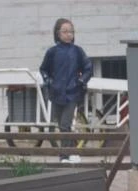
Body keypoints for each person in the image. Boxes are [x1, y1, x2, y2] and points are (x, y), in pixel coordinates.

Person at [39, 18, 92, 163]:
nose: (69, 34)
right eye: (65, 31)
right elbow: (43, 69)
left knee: (65, 124)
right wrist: (48, 81)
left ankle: (64, 156)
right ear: (58, 33)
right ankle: (72, 152)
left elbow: (88, 68)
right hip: (56, 93)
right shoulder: (52, 52)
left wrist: (81, 81)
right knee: (63, 126)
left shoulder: (78, 51)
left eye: (71, 31)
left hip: (72, 93)